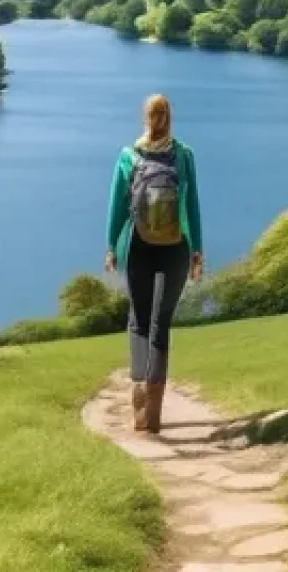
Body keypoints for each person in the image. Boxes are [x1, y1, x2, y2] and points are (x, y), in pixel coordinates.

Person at [105, 94, 203, 434]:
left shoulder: (128, 156)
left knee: (139, 320)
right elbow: (192, 205)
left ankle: (138, 389)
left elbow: (118, 206)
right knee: (161, 323)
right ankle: (155, 408)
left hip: (139, 246)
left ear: (144, 118)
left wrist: (111, 246)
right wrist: (197, 251)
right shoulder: (184, 156)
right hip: (176, 247)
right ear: (169, 118)